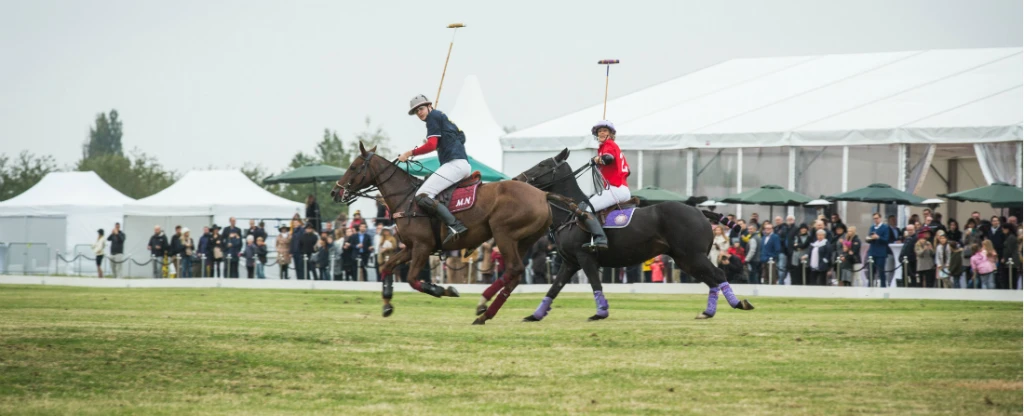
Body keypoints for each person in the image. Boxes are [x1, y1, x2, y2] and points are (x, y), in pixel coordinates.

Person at [397, 94, 471, 245]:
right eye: (416, 111)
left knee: (422, 195)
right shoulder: (441, 117)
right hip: (462, 164)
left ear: (430, 106)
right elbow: (461, 137)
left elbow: (430, 145)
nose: (419, 112)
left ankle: (455, 226)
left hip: (454, 164)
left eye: (421, 108)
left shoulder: (433, 118)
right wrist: (439, 140)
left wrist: (409, 153)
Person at [578, 120, 630, 251]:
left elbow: (608, 159)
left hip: (616, 189)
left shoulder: (609, 145)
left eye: (605, 131)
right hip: (621, 188)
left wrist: (597, 160)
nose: (601, 133)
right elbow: (628, 171)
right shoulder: (611, 147)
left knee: (585, 209)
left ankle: (600, 238)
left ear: (611, 134)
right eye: (599, 131)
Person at [866, 213, 892, 287]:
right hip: (872, 252)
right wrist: (869, 238)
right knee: (871, 272)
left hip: (881, 253)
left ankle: (883, 287)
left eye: (877, 218)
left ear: (880, 218)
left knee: (881, 271)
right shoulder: (872, 227)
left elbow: (886, 239)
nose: (875, 220)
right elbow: (869, 237)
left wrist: (878, 237)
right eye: (874, 218)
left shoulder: (885, 227)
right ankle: (870, 286)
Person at [1002, 224, 1021, 290]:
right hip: (1012, 259)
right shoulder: (1010, 237)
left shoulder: (1011, 237)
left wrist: (1005, 258)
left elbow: (1009, 250)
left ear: (1007, 229)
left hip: (1012, 260)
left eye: (1004, 229)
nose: (1003, 230)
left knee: (1012, 276)